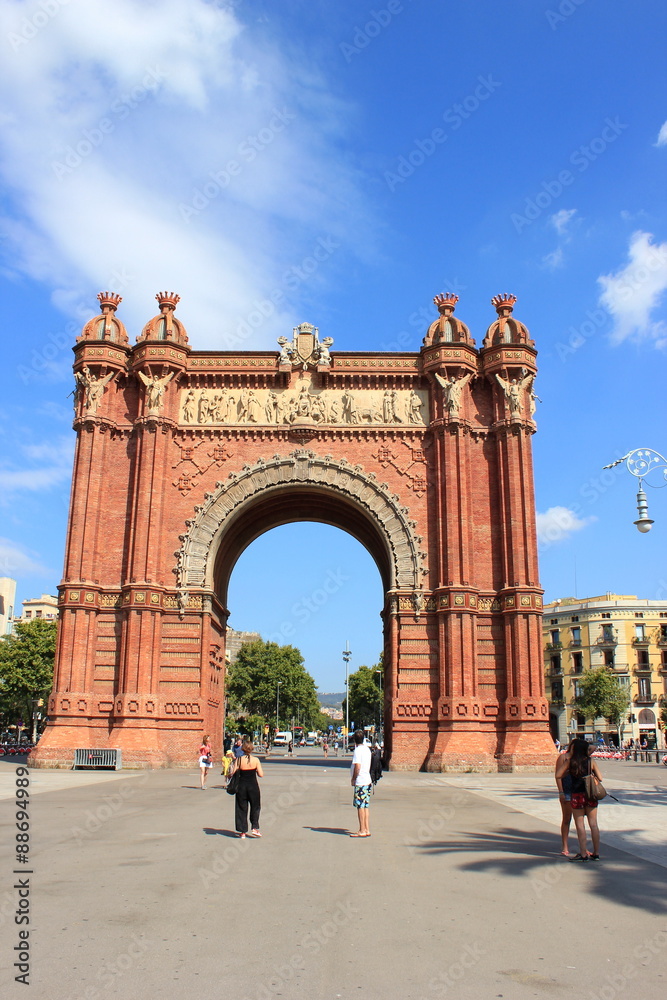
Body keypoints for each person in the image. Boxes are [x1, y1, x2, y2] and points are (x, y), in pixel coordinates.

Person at [568, 739, 602, 862]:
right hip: (590, 794)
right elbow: (600, 777)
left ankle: (583, 854)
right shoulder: (590, 761)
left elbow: (558, 774)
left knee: (580, 825)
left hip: (577, 795)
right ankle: (596, 853)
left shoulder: (571, 762)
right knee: (593, 824)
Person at [232, 739, 264, 839]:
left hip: (241, 786)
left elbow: (233, 773)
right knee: (255, 806)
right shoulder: (256, 760)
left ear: (243, 748)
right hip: (253, 786)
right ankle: (254, 827)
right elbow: (261, 774)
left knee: (241, 808)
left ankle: (242, 831)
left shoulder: (239, 759)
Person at [349, 729, 372, 838]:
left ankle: (362, 829)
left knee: (360, 807)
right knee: (365, 806)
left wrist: (354, 778)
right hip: (367, 780)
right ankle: (367, 829)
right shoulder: (367, 749)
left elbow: (357, 766)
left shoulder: (358, 751)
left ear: (354, 739)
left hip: (361, 781)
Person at [554, 740, 575, 855]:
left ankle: (582, 847)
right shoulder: (563, 758)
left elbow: (593, 748)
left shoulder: (580, 758)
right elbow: (558, 776)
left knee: (579, 821)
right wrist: (561, 792)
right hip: (566, 792)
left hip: (578, 792)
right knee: (567, 819)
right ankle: (565, 846)